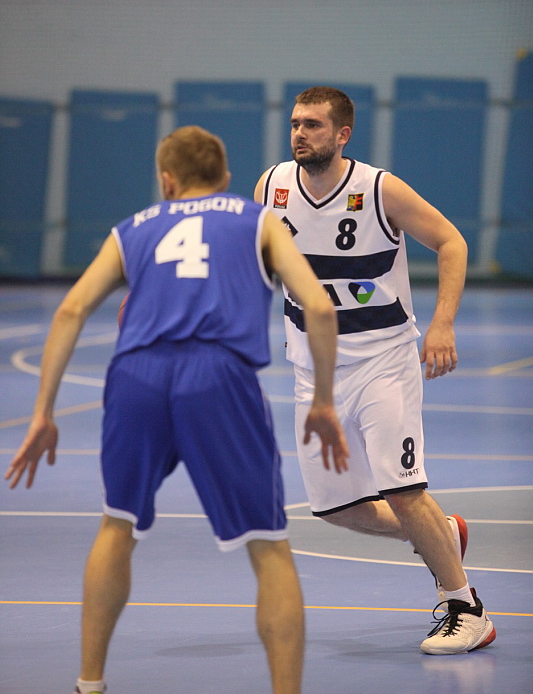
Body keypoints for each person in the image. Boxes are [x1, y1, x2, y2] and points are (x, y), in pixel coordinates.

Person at [5, 125, 349, 694]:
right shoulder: (258, 219)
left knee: (116, 524)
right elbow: (319, 306)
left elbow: (69, 310)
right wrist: (324, 401)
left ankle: (89, 682)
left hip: (135, 376)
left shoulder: (132, 228)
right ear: (225, 177)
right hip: (218, 376)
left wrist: (43, 412)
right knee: (269, 546)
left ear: (167, 181)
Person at [255, 86, 496, 656]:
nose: (299, 134)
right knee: (338, 508)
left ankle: (466, 608)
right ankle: (444, 533)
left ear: (342, 135)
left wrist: (442, 324)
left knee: (403, 489)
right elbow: (255, 258)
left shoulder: (379, 189)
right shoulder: (272, 185)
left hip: (382, 362)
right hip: (313, 369)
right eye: (295, 123)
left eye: (313, 125)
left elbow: (451, 242)